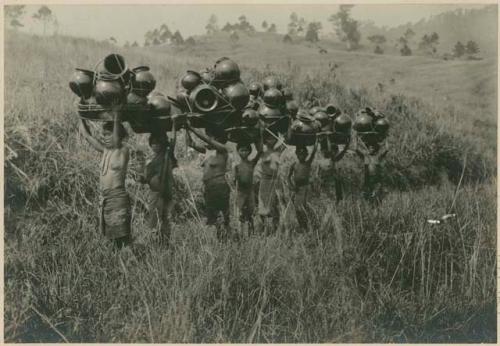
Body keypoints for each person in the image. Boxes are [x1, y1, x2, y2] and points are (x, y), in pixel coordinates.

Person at [79, 110, 131, 248]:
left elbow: (115, 139)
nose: (104, 137)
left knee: (122, 238)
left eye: (108, 134)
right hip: (105, 199)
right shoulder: (105, 151)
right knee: (112, 240)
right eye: (103, 135)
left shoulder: (122, 151)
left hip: (117, 199)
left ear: (119, 136)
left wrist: (116, 115)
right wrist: (81, 116)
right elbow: (86, 135)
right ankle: (121, 265)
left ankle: (131, 263)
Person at [186, 124, 232, 241]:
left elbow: (207, 140)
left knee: (223, 215)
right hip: (209, 186)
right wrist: (186, 129)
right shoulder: (208, 151)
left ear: (218, 138)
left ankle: (227, 239)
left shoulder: (222, 150)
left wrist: (192, 128)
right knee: (213, 216)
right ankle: (221, 240)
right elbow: (190, 144)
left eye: (212, 136)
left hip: (219, 185)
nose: (209, 138)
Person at [137, 120, 178, 245]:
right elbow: (144, 179)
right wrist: (140, 171)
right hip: (154, 194)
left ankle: (164, 242)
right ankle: (156, 243)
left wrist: (174, 125)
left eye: (158, 143)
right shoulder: (151, 160)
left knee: (163, 218)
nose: (155, 146)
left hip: (164, 193)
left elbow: (173, 142)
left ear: (163, 144)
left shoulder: (166, 155)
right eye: (153, 143)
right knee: (155, 218)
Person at [257, 131, 286, 234]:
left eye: (273, 138)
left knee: (275, 207)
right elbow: (258, 141)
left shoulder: (278, 151)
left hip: (276, 181)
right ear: (265, 140)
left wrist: (287, 123)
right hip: (265, 181)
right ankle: (261, 232)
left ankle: (275, 231)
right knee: (262, 208)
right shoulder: (262, 151)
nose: (272, 140)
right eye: (269, 138)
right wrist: (261, 129)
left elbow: (287, 139)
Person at [233, 140, 263, 236]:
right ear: (238, 151)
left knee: (250, 213)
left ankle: (251, 234)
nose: (244, 152)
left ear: (249, 151)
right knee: (240, 213)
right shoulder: (236, 166)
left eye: (246, 150)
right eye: (242, 150)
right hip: (240, 192)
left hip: (250, 191)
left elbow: (260, 151)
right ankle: (240, 234)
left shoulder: (252, 163)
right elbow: (234, 180)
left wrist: (258, 137)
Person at [288, 140, 318, 232]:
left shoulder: (307, 163)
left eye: (303, 153)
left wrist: (316, 141)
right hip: (297, 190)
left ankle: (311, 226)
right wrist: (292, 186)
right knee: (297, 209)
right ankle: (302, 226)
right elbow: (288, 177)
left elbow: (314, 152)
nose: (301, 155)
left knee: (306, 207)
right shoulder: (294, 165)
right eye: (299, 153)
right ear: (296, 154)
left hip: (306, 188)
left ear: (306, 154)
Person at [355, 137, 388, 203]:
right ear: (368, 149)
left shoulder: (378, 157)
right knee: (367, 196)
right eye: (370, 148)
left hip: (376, 180)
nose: (371, 149)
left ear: (375, 149)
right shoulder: (365, 157)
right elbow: (356, 149)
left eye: (373, 148)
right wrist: (356, 139)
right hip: (368, 180)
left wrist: (386, 139)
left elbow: (386, 149)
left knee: (377, 196)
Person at [317, 138, 350, 202]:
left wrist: (346, 146)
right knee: (327, 198)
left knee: (334, 197)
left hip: (332, 181)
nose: (325, 152)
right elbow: (318, 173)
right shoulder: (322, 160)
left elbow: (342, 153)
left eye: (333, 151)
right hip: (326, 182)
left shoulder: (333, 159)